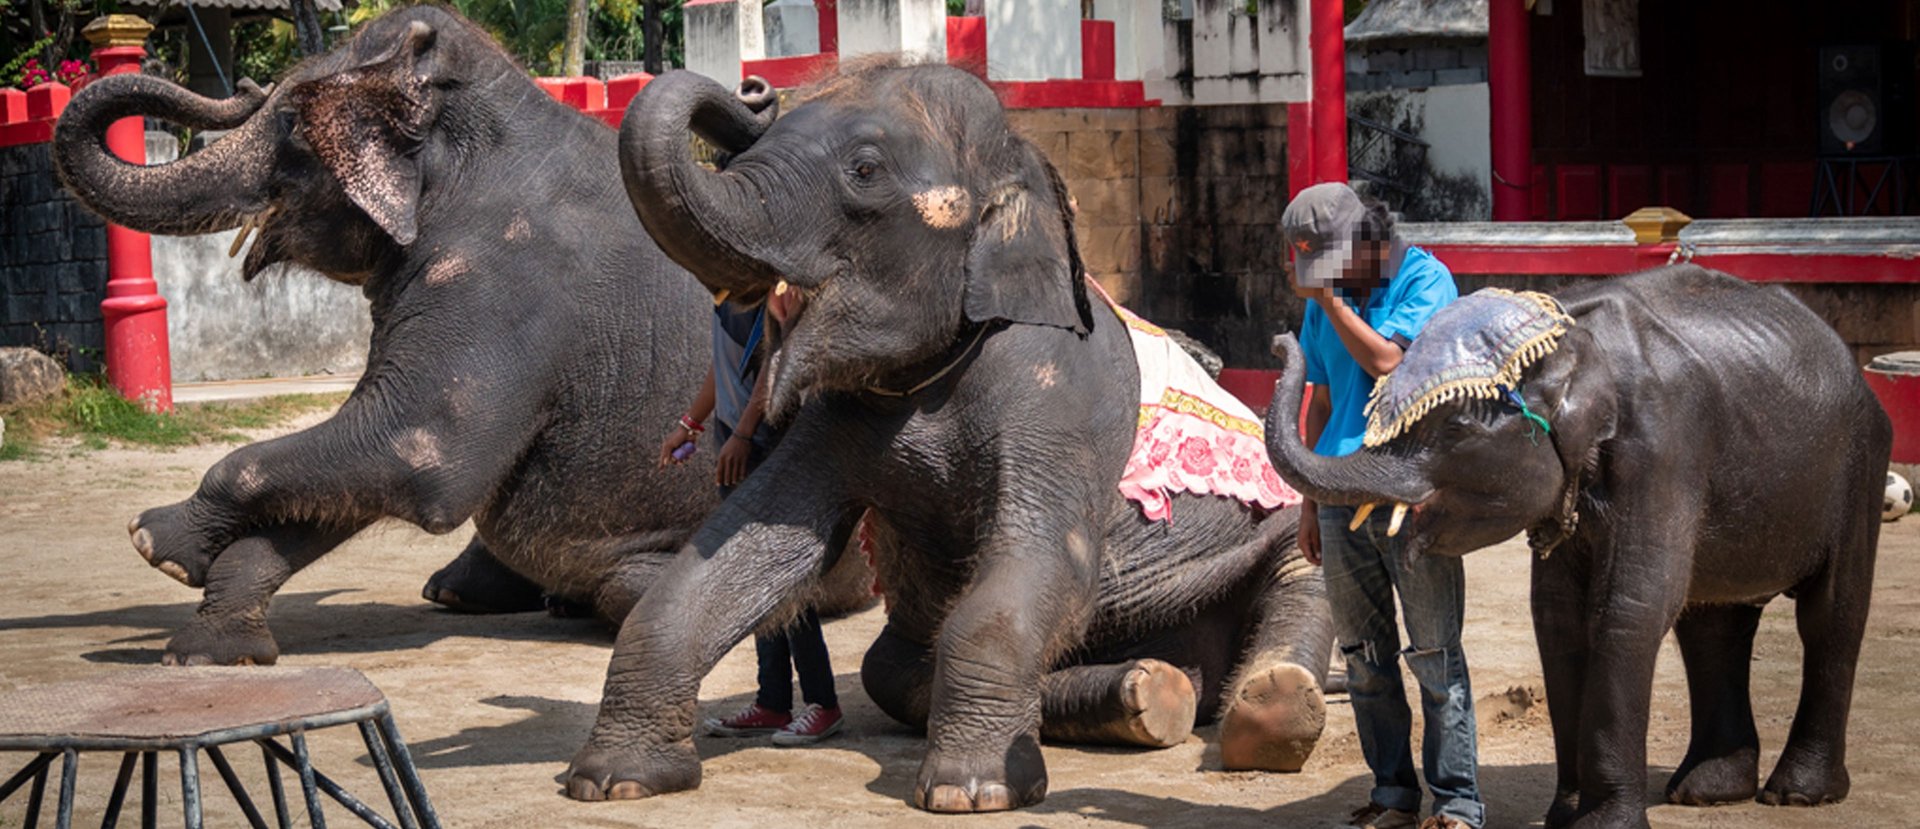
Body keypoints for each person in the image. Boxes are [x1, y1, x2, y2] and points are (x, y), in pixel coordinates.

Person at [1284, 183, 1477, 829]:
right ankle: (1393, 796)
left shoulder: (1425, 278)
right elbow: (1317, 397)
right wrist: (1310, 499)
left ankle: (1457, 804)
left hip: (1408, 491)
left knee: (1434, 654)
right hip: (1339, 492)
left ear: (1368, 236)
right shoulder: (1326, 296)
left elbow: (1390, 361)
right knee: (1365, 656)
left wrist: (1330, 300)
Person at [661, 286, 843, 746]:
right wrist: (690, 424)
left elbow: (775, 361)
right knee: (755, 575)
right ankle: (774, 701)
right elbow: (722, 367)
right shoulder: (725, 292)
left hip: (768, 439)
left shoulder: (775, 289)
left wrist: (743, 434)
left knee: (780, 574)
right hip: (735, 439)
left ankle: (823, 702)